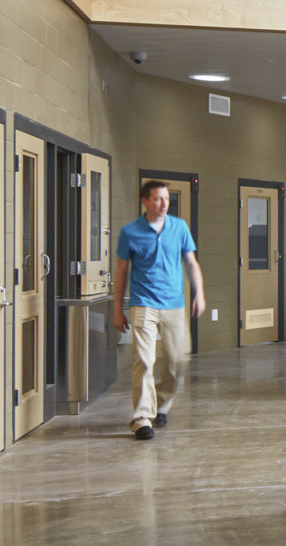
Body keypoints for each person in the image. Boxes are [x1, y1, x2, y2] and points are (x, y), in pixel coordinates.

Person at [113, 180, 206, 441]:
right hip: (143, 302)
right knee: (144, 360)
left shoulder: (180, 227)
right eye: (158, 199)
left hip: (174, 304)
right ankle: (141, 419)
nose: (164, 204)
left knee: (179, 360)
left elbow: (191, 262)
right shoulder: (129, 232)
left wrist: (199, 292)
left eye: (166, 199)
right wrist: (117, 309)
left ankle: (161, 405)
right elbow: (121, 272)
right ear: (145, 201)